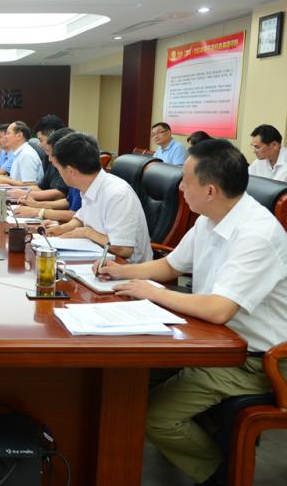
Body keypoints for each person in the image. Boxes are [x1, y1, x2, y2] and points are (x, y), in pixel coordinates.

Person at [95, 139, 287, 486]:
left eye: (186, 180)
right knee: (118, 377)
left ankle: (221, 473)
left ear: (211, 190)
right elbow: (171, 265)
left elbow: (219, 309)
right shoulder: (211, 218)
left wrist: (152, 293)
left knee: (155, 417)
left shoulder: (256, 233)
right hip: (212, 340)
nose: (180, 188)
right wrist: (121, 272)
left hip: (255, 360)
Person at [45, 132, 152, 263]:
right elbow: (81, 217)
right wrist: (62, 229)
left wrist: (86, 232)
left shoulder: (117, 194)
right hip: (97, 257)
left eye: (58, 169)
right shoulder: (89, 185)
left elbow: (123, 249)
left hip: (125, 268)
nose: (59, 173)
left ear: (71, 171)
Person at [12, 127, 79, 223]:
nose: (50, 159)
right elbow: (68, 202)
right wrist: (37, 205)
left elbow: (76, 215)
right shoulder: (74, 175)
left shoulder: (78, 176)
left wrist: (39, 212)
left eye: (51, 154)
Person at [0, 121, 43, 186]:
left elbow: (30, 185)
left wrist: (6, 180)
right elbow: (17, 179)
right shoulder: (18, 153)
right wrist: (4, 178)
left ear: (19, 136)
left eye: (8, 133)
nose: (5, 137)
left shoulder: (26, 155)